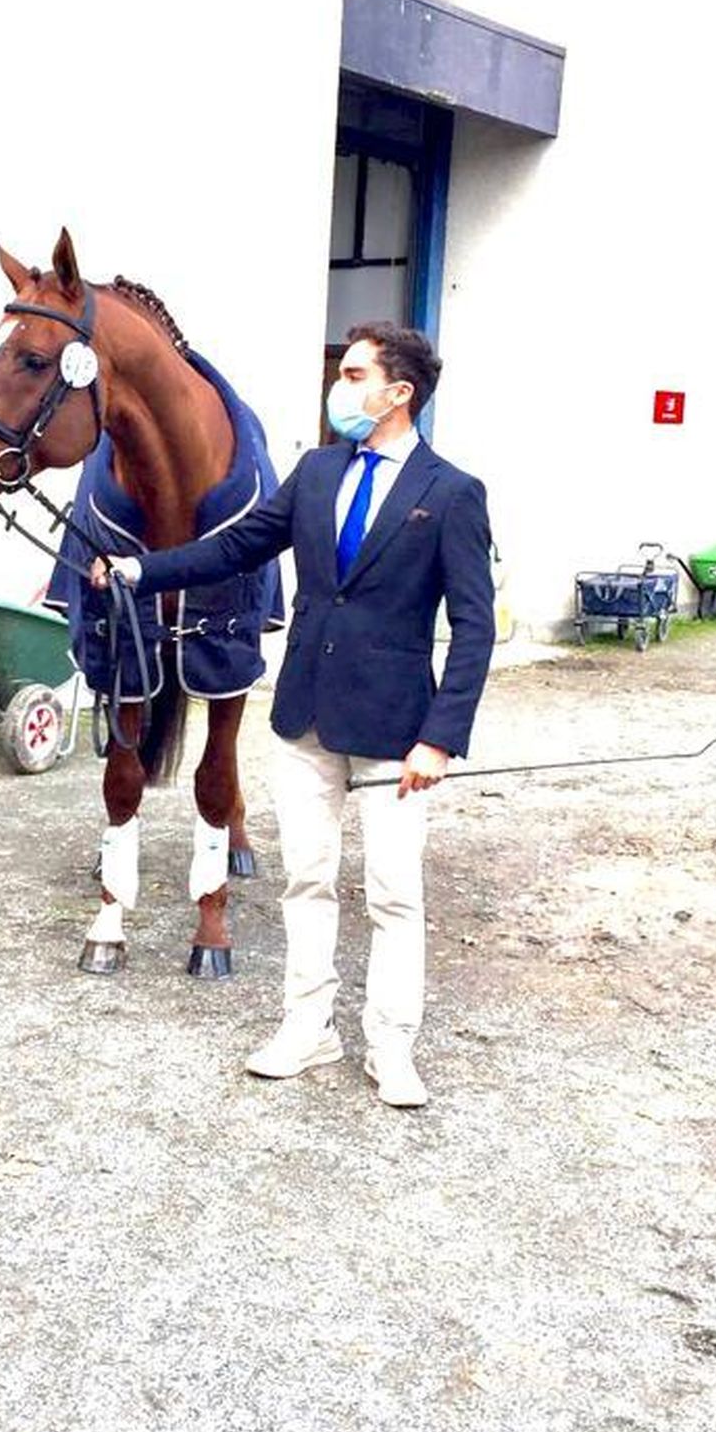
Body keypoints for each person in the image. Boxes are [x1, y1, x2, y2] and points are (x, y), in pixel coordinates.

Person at [91, 324, 495, 1108]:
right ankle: (308, 1029)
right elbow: (236, 546)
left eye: (352, 374)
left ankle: (392, 1045)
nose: (338, 388)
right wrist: (142, 569)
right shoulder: (315, 471)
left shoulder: (450, 493)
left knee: (391, 892)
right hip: (306, 715)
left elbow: (473, 625)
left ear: (398, 391)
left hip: (396, 733)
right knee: (306, 882)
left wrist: (440, 737)